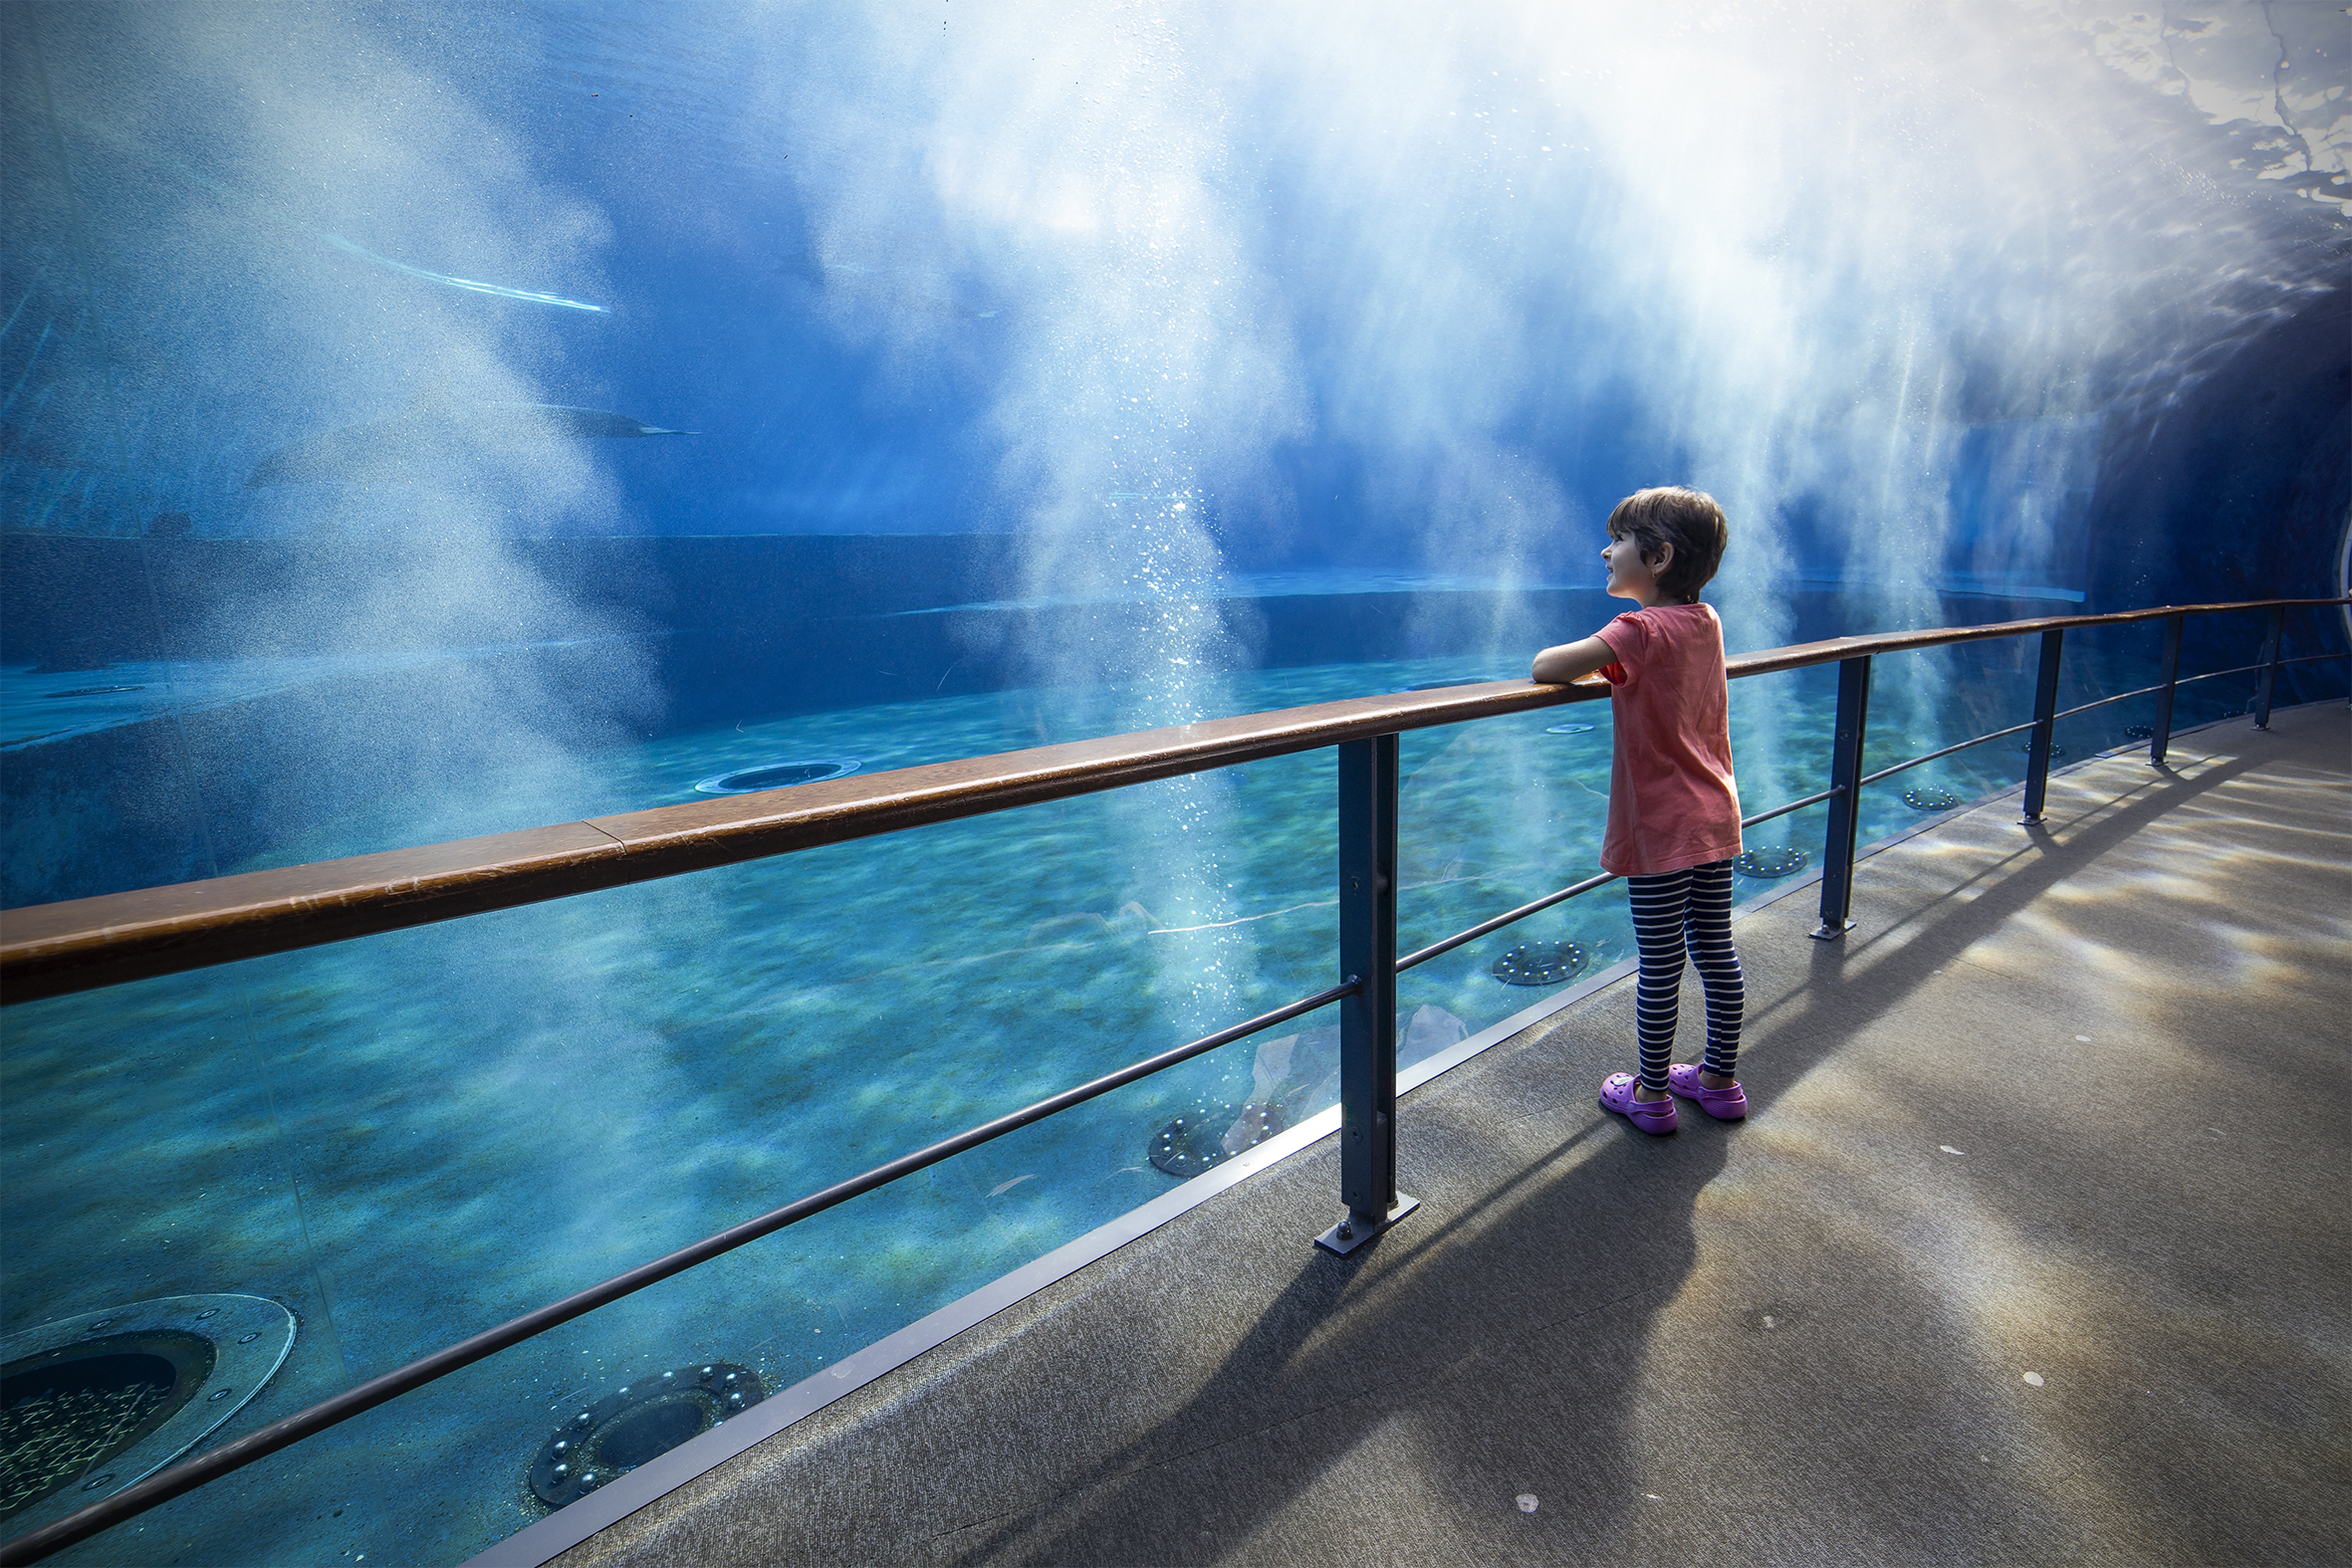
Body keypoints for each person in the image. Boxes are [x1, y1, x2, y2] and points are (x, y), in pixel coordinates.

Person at [1529, 487, 1748, 1135]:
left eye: (1618, 540)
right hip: (1714, 811)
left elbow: (1547, 667)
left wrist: (1608, 658)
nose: (1606, 551)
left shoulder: (1638, 629)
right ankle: (1720, 1080)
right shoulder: (1705, 620)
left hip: (1661, 827)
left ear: (1658, 558)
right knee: (1715, 948)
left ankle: (1650, 1094)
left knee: (1660, 962)